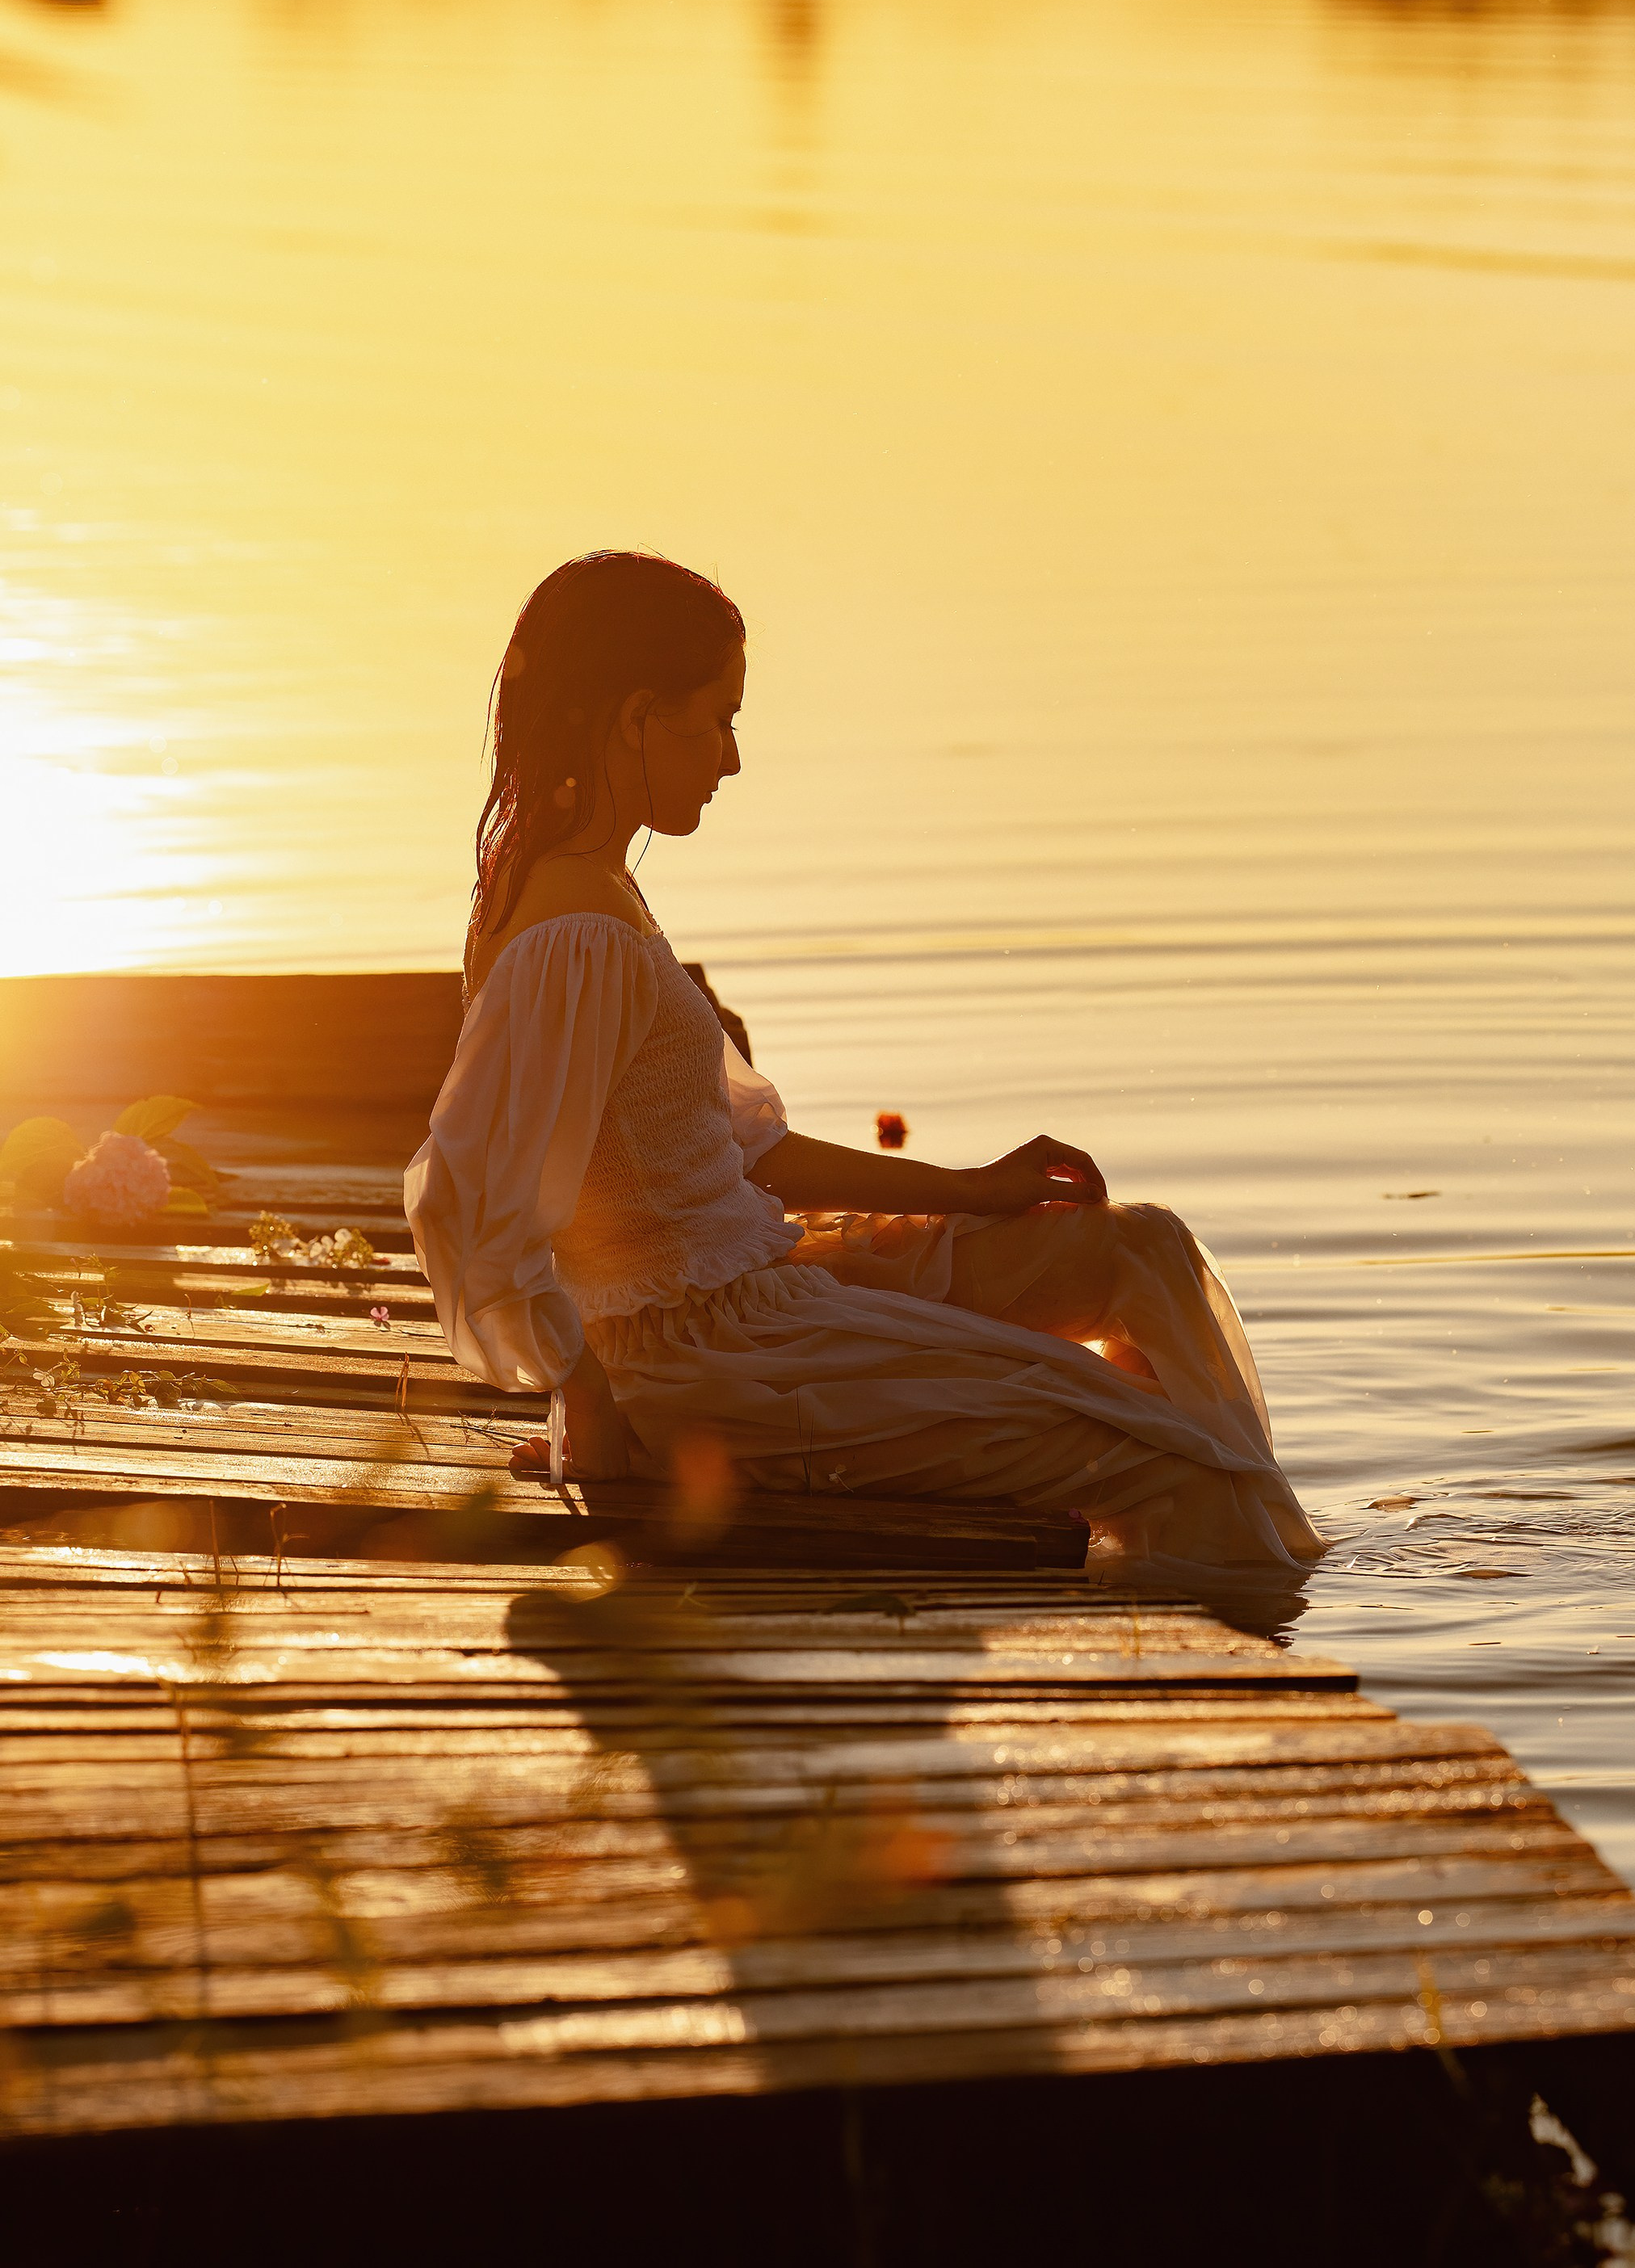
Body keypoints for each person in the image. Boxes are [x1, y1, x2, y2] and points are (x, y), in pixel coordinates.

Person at [405, 550, 1326, 1606]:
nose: (732, 759)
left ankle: (1231, 1555)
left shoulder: (594, 892)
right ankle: (1223, 1631)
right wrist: (585, 1394)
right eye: (717, 721)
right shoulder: (575, 935)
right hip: (713, 1358)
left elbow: (742, 1152)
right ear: (637, 718)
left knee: (1142, 1251)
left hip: (751, 1290)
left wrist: (971, 1189)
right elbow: (470, 1204)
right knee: (1177, 1465)